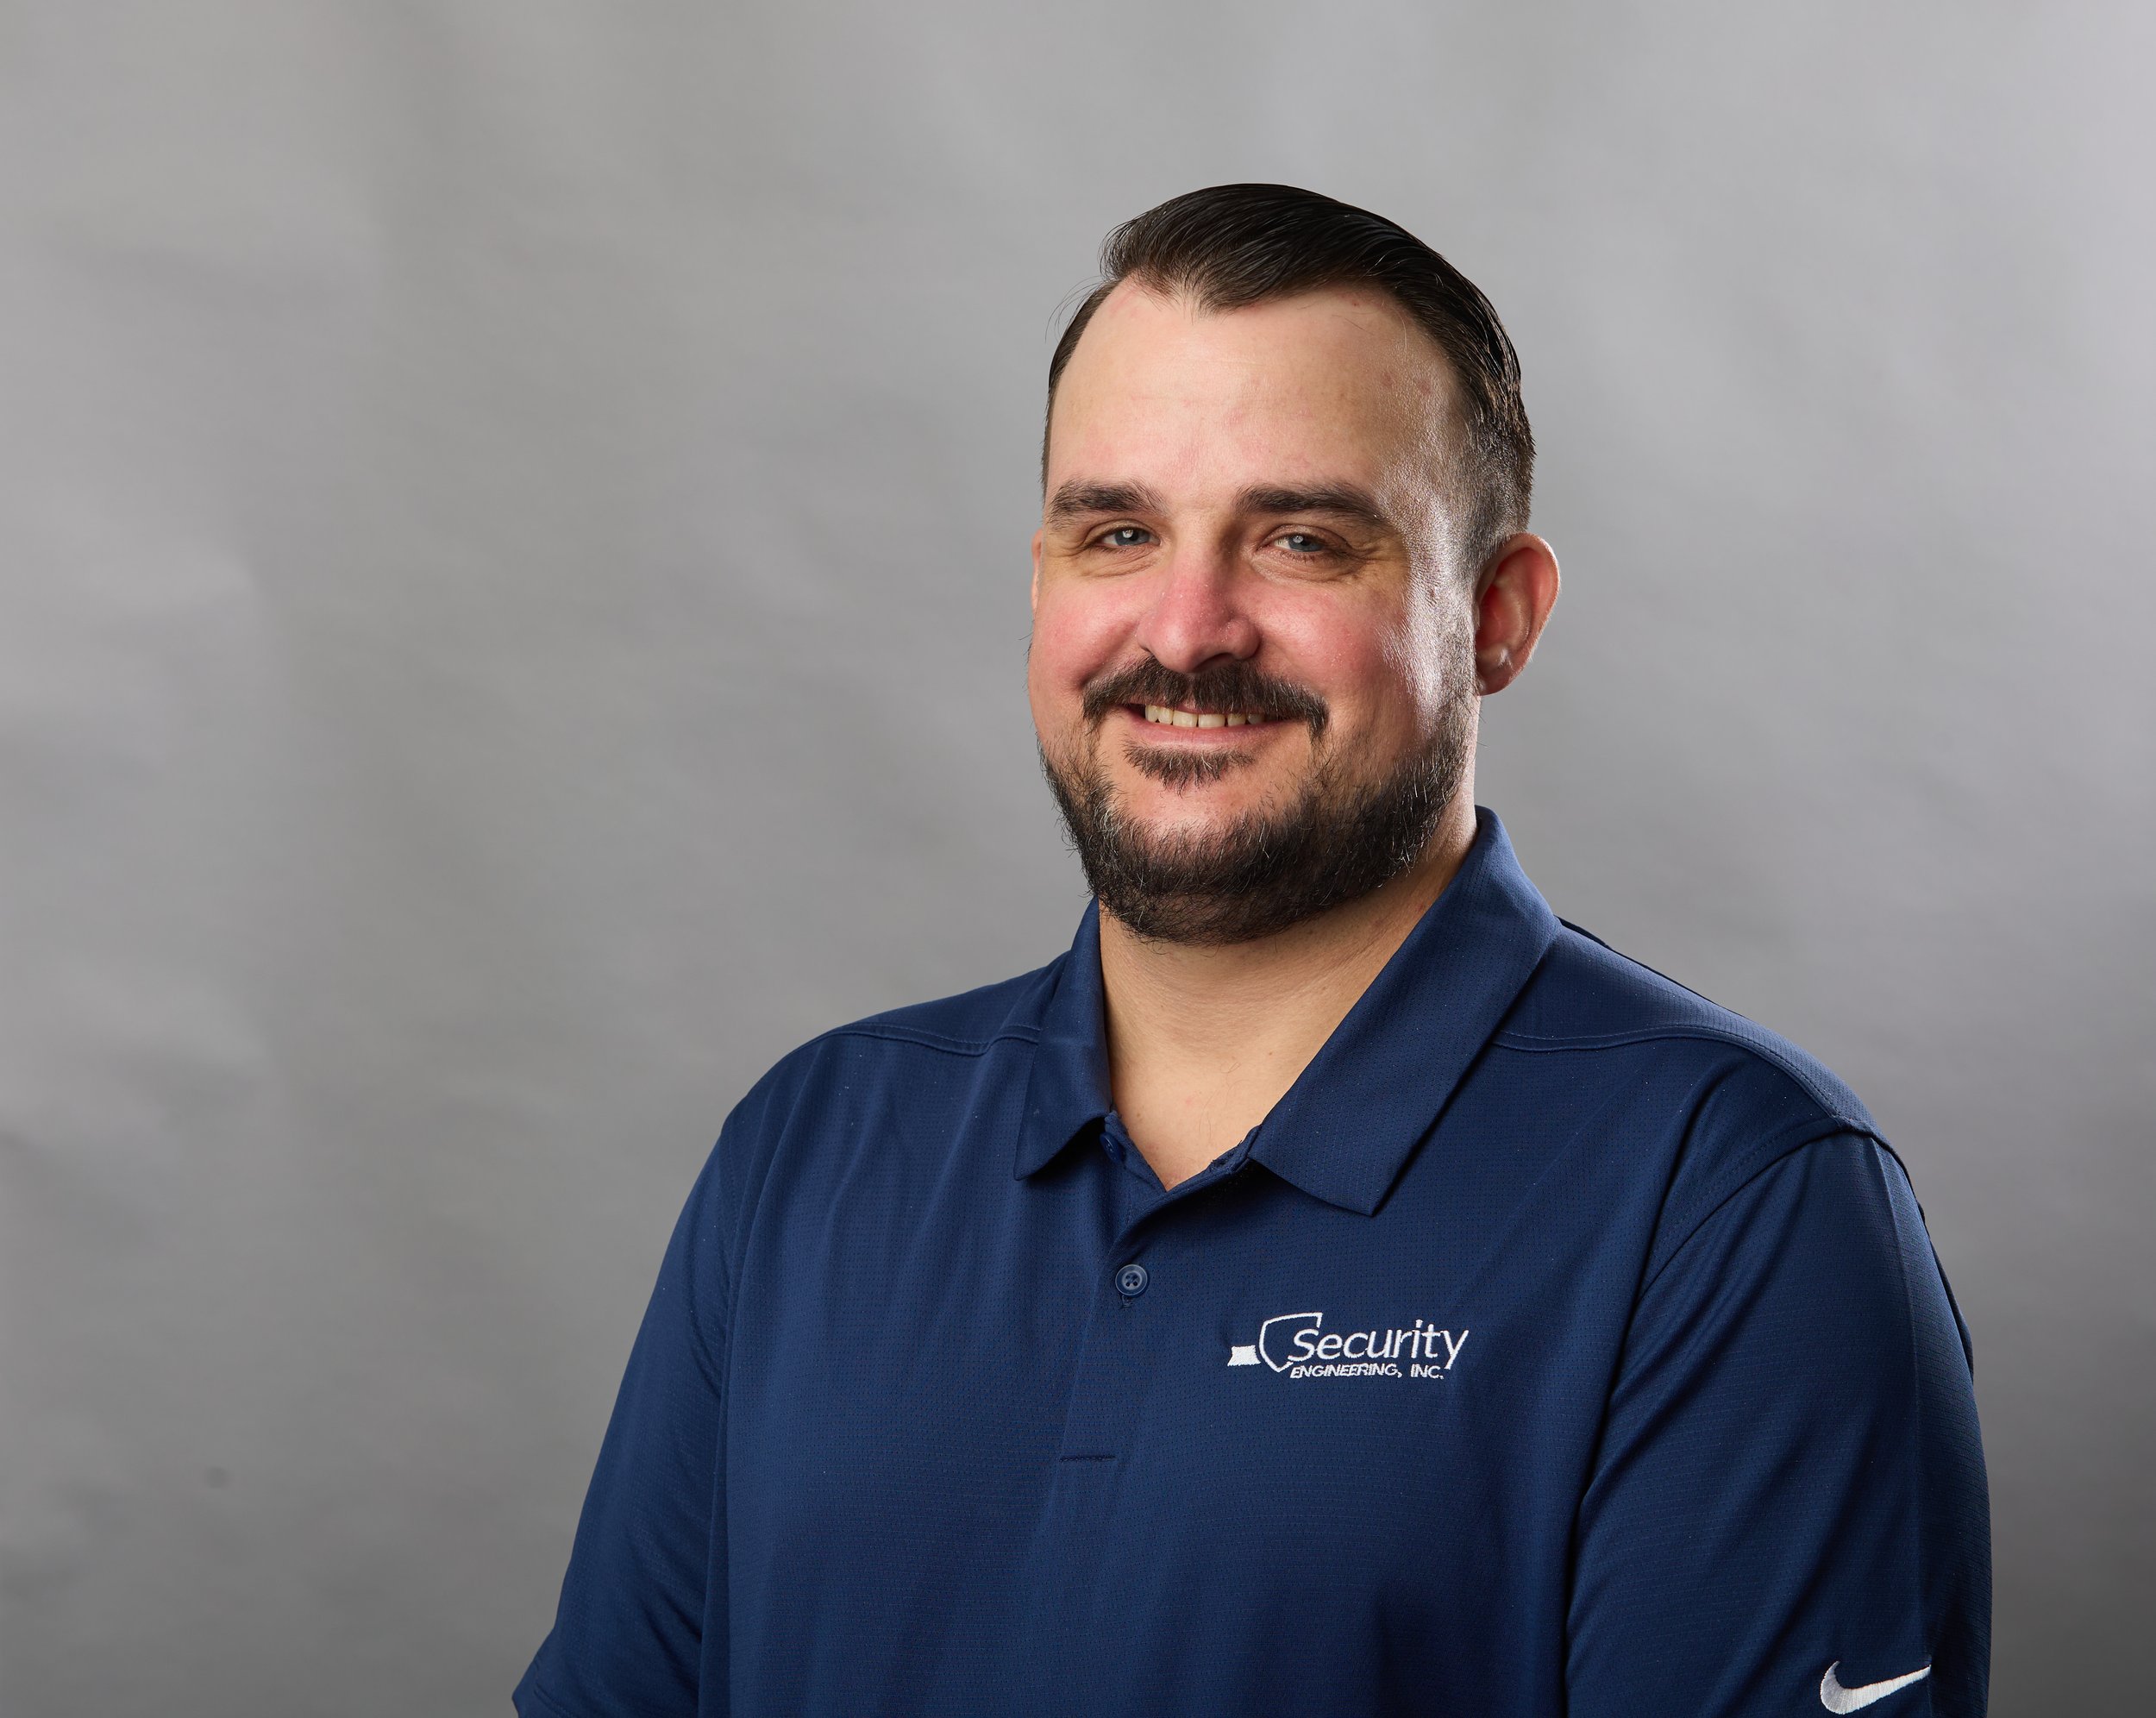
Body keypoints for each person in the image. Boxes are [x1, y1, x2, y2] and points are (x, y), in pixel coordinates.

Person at [515, 184, 1989, 1717]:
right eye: (1120, 532)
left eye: (1299, 538)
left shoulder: (1731, 1200)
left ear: (1497, 617)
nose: (1188, 627)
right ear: (1041, 586)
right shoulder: (813, 1150)